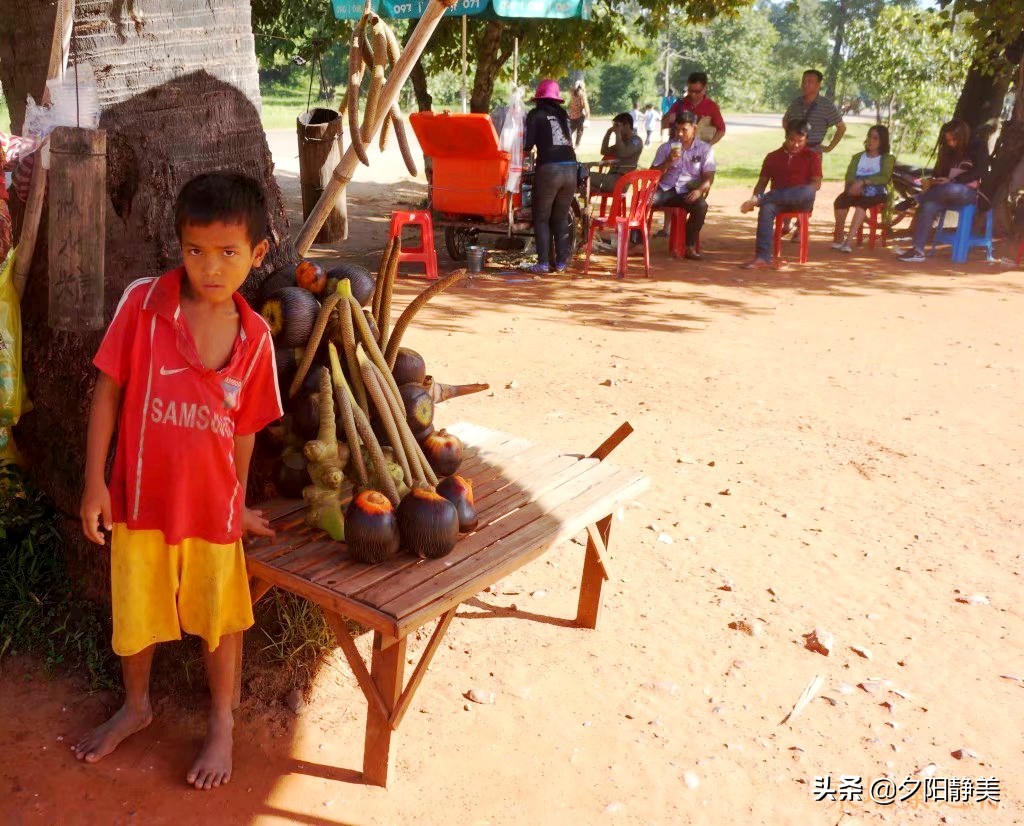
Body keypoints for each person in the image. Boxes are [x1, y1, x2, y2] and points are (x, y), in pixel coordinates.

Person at [74, 172, 282, 790]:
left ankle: (222, 723)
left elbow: (243, 434)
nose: (210, 268)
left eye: (228, 253)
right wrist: (95, 484)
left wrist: (238, 507)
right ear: (179, 247)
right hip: (138, 505)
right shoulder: (143, 305)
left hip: (211, 512)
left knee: (220, 620)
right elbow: (108, 391)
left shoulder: (256, 339)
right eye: (195, 251)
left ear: (258, 254)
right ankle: (136, 705)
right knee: (136, 611)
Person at [896, 118, 990, 263]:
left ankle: (916, 198)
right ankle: (918, 251)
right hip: (942, 192)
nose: (951, 143)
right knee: (929, 205)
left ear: (962, 136)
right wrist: (935, 180)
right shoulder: (947, 149)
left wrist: (953, 181)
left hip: (969, 193)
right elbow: (940, 173)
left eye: (954, 140)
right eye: (948, 140)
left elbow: (981, 171)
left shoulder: (978, 145)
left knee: (950, 188)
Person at [739, 119, 822, 270]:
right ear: (785, 137)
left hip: (801, 200)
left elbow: (816, 184)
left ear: (806, 140)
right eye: (792, 140)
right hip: (777, 202)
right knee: (767, 207)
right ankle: (762, 257)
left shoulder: (812, 156)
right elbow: (762, 182)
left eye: (800, 141)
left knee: (808, 190)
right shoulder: (772, 157)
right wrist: (754, 196)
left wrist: (758, 199)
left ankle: (761, 200)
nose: (796, 144)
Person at [524, 79, 579, 274]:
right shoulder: (563, 115)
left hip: (550, 169)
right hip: (571, 168)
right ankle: (562, 263)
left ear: (538, 98)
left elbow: (527, 145)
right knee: (561, 216)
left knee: (541, 217)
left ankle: (543, 263)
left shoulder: (535, 114)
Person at [647, 112, 716, 259]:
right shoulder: (666, 148)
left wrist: (699, 191)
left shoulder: (705, 149)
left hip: (686, 190)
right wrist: (667, 162)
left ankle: (689, 246)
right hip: (666, 189)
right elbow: (652, 174)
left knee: (701, 206)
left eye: (684, 129)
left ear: (694, 128)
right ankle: (638, 241)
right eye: (677, 129)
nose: (679, 133)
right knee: (644, 200)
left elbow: (709, 176)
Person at [832, 124, 895, 253]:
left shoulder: (887, 158)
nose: (870, 141)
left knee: (862, 205)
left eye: (875, 138)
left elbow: (884, 177)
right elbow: (849, 175)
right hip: (856, 189)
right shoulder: (858, 157)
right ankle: (839, 236)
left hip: (876, 191)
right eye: (869, 137)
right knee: (840, 202)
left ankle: (848, 242)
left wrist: (864, 182)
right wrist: (851, 188)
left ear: (882, 141)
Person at [783, 69, 846, 154]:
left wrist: (830, 147)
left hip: (813, 151)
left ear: (818, 85)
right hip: (792, 151)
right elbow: (785, 120)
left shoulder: (826, 105)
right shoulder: (795, 103)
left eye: (810, 82)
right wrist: (791, 138)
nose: (805, 84)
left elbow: (841, 127)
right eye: (803, 81)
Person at [589, 113, 644, 194]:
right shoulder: (622, 143)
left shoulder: (636, 140)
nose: (614, 128)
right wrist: (608, 134)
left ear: (627, 125)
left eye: (617, 125)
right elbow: (604, 151)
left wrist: (617, 134)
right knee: (580, 180)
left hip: (620, 181)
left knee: (582, 176)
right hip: (611, 178)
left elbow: (623, 153)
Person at [667, 72, 726, 145]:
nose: (693, 94)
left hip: (700, 153)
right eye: (690, 90)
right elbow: (666, 125)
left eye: (697, 91)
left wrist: (708, 146)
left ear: (705, 88)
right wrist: (670, 119)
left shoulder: (712, 106)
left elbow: (721, 130)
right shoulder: (679, 104)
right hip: (680, 151)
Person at [567, 81, 590, 148]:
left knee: (571, 129)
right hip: (580, 115)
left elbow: (571, 89)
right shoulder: (582, 94)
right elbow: (585, 104)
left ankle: (568, 143)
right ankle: (577, 145)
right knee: (579, 131)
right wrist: (588, 115)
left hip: (572, 115)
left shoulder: (572, 93)